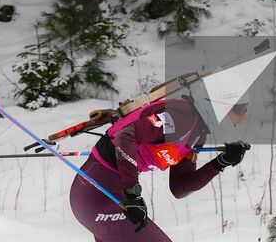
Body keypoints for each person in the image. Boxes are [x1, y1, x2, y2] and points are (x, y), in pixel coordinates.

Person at [69, 96, 249, 240]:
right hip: (97, 192)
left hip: (106, 196)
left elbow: (180, 187)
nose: (243, 118)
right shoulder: (181, 117)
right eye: (241, 109)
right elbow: (125, 137)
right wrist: (132, 193)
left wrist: (220, 162)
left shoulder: (196, 134)